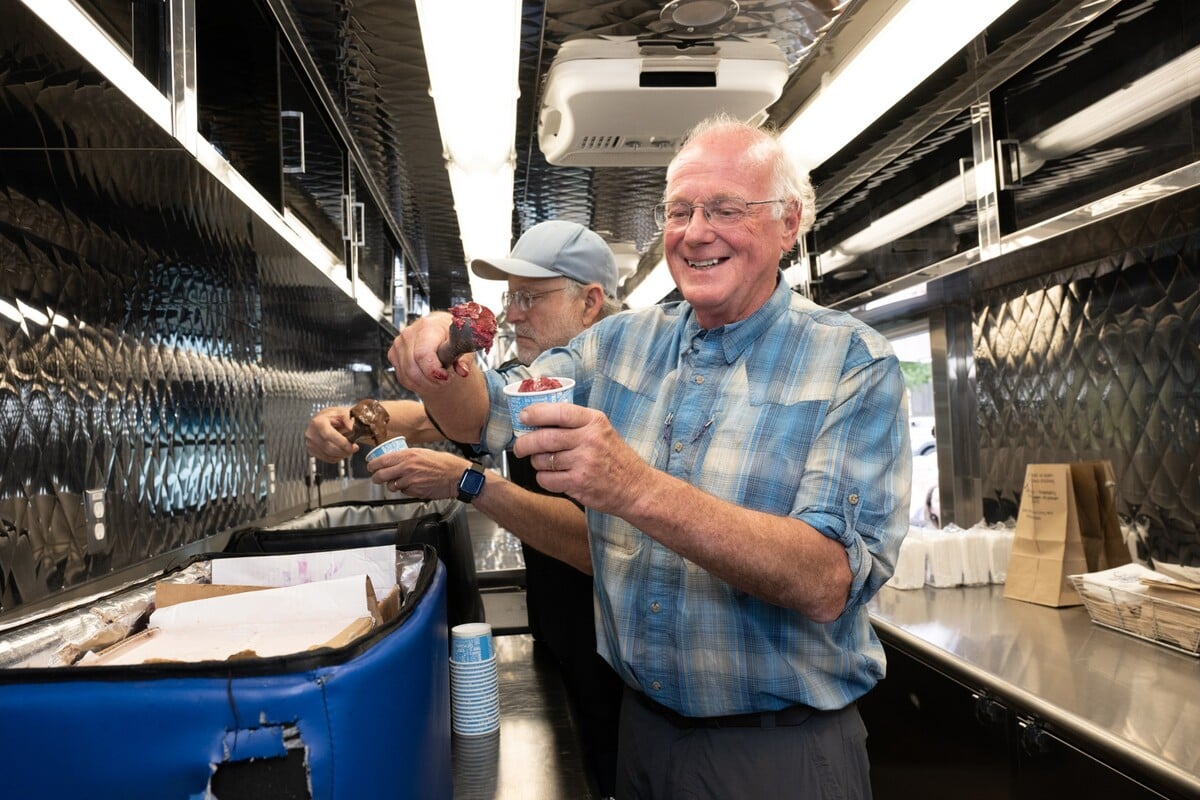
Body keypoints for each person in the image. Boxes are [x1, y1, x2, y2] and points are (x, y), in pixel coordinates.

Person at [387, 114, 912, 799]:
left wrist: (633, 488)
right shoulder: (618, 347)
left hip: (778, 753)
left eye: (725, 209)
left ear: (789, 223)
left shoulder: (850, 363)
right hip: (644, 736)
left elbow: (825, 580)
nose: (696, 231)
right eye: (681, 211)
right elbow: (490, 416)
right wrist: (439, 358)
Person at [305, 220, 625, 797]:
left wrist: (468, 481)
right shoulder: (540, 379)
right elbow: (443, 415)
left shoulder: (619, 390)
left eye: (530, 296)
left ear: (590, 302)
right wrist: (350, 420)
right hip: (562, 635)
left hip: (617, 661)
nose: (513, 314)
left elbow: (595, 547)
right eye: (510, 298)